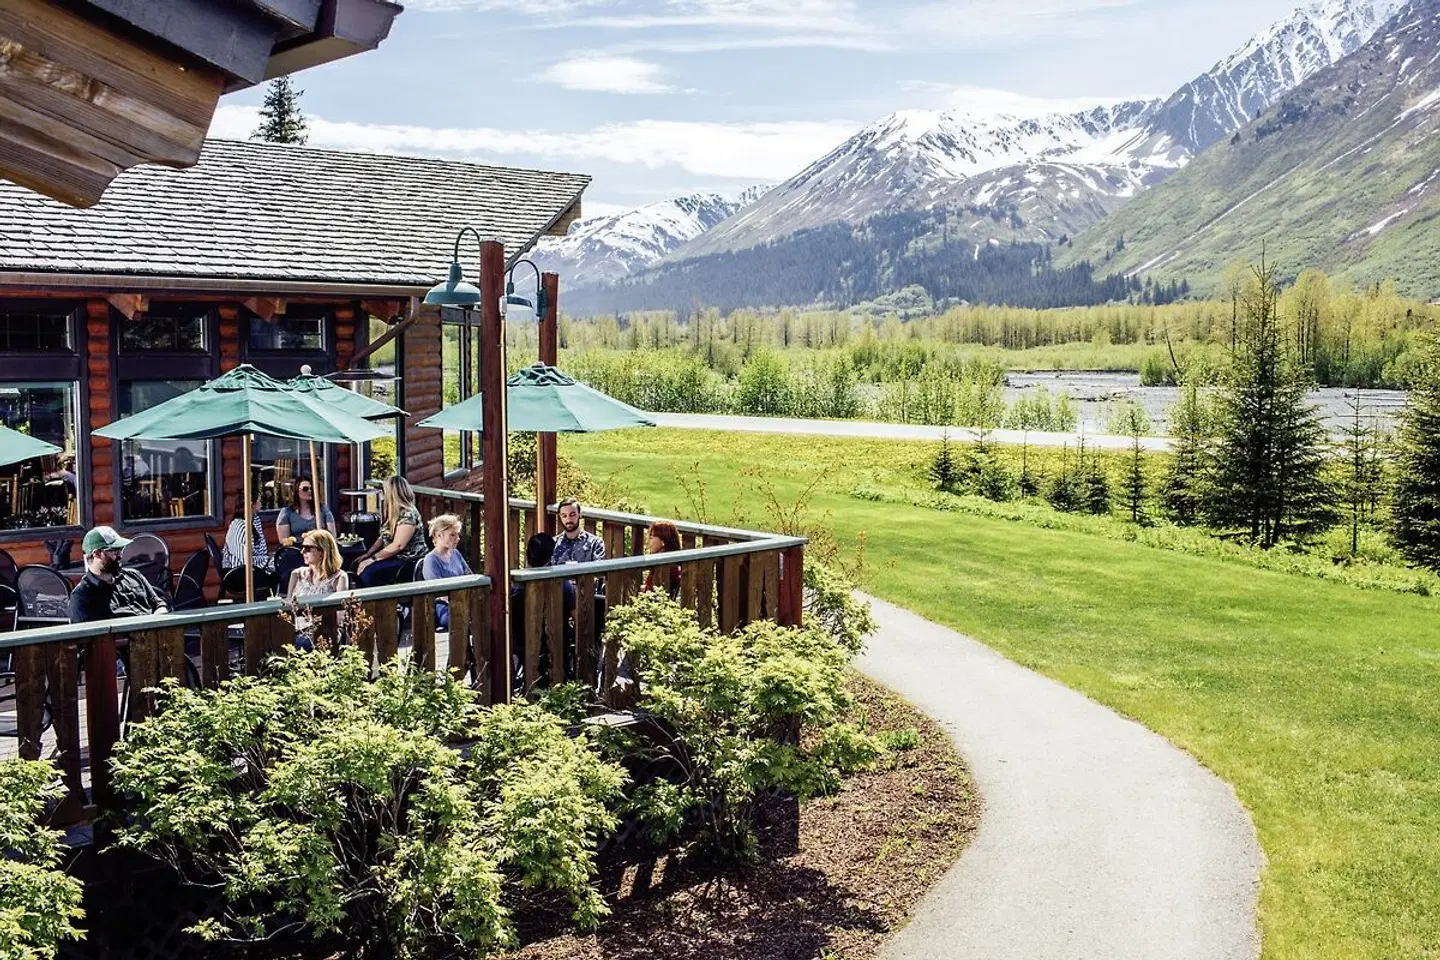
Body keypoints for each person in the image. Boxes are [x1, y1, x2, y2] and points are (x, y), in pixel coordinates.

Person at [68, 526, 170, 623]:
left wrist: (156, 623)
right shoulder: (82, 597)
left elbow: (159, 605)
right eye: (115, 551)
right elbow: (85, 637)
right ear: (97, 554)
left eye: (121, 549)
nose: (120, 555)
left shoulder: (134, 576)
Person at [356, 476, 428, 587]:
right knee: (358, 565)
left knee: (368, 574)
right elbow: (383, 536)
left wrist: (373, 559)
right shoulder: (393, 511)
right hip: (394, 557)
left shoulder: (408, 514)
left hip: (409, 561)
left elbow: (398, 545)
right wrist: (368, 554)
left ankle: (391, 601)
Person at [287, 529, 349, 650]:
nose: (302, 551)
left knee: (294, 644)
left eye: (308, 548)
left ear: (323, 551)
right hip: (297, 629)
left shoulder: (339, 577)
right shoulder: (297, 574)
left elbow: (341, 615)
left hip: (326, 631)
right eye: (302, 547)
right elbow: (289, 605)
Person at [421, 514, 473, 629]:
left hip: (464, 599)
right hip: (444, 605)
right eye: (452, 535)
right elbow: (436, 592)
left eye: (458, 534)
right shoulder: (431, 560)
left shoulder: (455, 553)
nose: (457, 538)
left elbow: (469, 575)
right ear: (439, 535)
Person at [276, 477, 336, 543]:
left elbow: (332, 536)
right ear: (297, 491)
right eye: (305, 489)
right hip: (297, 550)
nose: (310, 491)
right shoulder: (287, 512)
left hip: (319, 549)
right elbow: (284, 541)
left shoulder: (323, 509)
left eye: (311, 488)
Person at [550, 498, 606, 566]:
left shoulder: (595, 543)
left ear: (579, 514)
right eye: (564, 516)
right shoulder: (552, 544)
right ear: (560, 517)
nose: (568, 519)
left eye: (572, 515)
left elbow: (599, 571)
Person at [643, 520, 684, 597]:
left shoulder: (668, 567)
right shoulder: (671, 561)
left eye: (652, 537)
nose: (648, 541)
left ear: (663, 541)